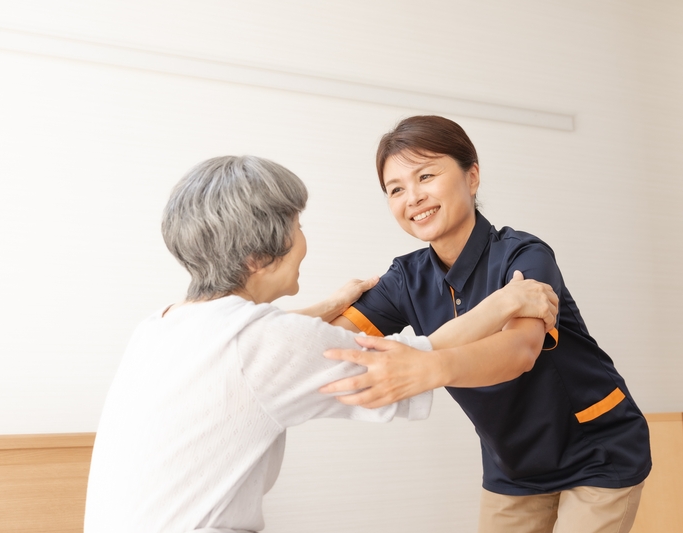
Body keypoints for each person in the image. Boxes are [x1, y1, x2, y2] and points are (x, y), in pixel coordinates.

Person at [83, 155, 558, 533]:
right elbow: (405, 363)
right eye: (297, 226)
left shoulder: (159, 326)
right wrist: (502, 305)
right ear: (258, 255)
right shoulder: (265, 342)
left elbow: (250, 336)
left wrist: (328, 304)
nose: (304, 239)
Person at [324, 116, 652, 533]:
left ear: (472, 176)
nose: (413, 197)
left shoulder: (525, 257)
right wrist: (328, 302)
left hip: (596, 450)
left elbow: (520, 350)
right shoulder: (405, 280)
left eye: (426, 175)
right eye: (396, 189)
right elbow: (325, 345)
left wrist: (425, 367)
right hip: (513, 467)